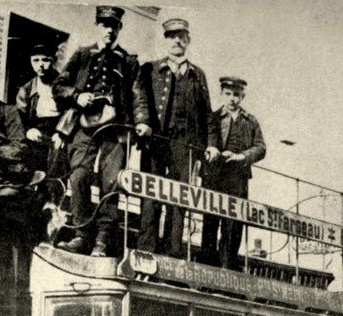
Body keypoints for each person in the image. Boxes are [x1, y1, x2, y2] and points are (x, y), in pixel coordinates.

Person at [53, 5, 151, 257]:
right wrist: (77, 95)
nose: (109, 30)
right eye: (105, 25)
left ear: (119, 29)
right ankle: (81, 235)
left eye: (114, 26)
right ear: (97, 26)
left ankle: (102, 241)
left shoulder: (128, 61)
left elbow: (138, 94)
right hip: (84, 127)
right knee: (79, 177)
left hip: (116, 130)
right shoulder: (82, 55)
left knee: (112, 184)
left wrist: (142, 121)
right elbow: (59, 85)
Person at [138, 18, 218, 258]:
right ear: (166, 40)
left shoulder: (198, 75)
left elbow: (207, 114)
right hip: (156, 141)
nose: (177, 41)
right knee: (150, 194)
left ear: (188, 41)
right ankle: (146, 250)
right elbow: (140, 99)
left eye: (181, 37)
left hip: (185, 145)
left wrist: (212, 144)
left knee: (178, 198)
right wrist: (142, 123)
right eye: (172, 36)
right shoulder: (150, 69)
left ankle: (171, 253)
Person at [200, 77, 266, 269]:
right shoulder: (213, 117)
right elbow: (205, 141)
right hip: (214, 177)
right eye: (228, 94)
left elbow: (261, 148)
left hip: (238, 179)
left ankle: (227, 271)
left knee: (233, 227)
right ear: (222, 94)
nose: (232, 99)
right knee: (210, 223)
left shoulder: (251, 121)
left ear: (242, 96)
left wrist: (242, 157)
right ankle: (205, 271)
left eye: (236, 95)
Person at [15, 43, 68, 179]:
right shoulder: (26, 90)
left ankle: (53, 197)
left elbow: (71, 109)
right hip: (37, 131)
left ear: (53, 61)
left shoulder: (65, 84)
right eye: (36, 60)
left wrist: (61, 132)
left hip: (59, 129)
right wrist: (28, 130)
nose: (40, 65)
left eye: (45, 60)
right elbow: (19, 117)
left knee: (57, 161)